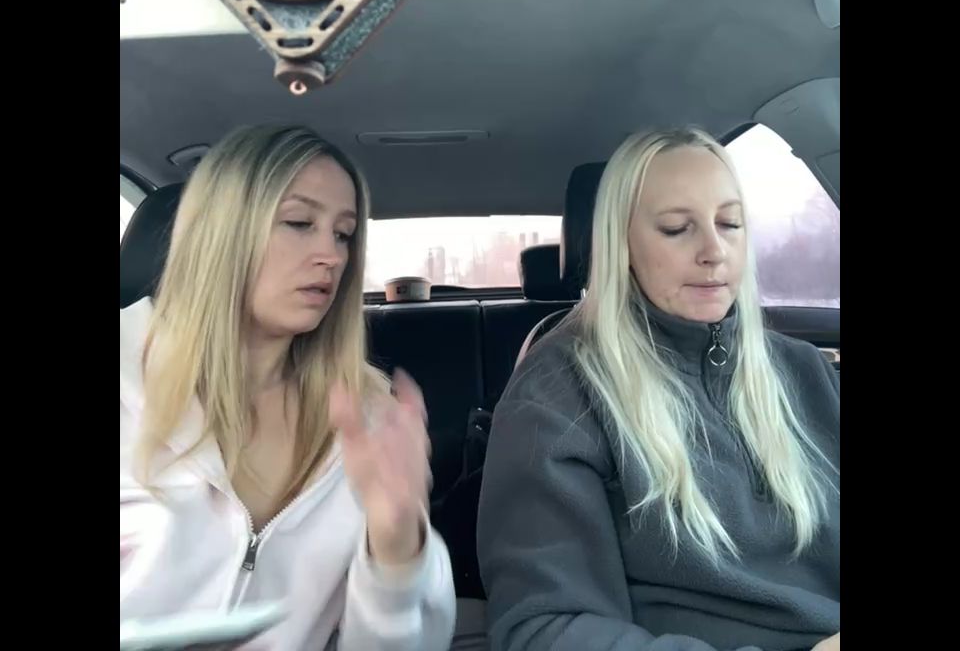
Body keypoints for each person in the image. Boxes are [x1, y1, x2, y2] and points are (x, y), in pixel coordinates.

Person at [478, 127, 840, 651]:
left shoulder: (804, 371)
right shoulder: (559, 394)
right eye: (676, 228)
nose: (714, 250)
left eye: (730, 223)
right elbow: (545, 628)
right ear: (621, 244)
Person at [120, 125, 456, 650]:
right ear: (222, 231)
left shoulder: (366, 417)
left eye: (343, 234)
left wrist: (397, 550)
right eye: (300, 223)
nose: (332, 256)